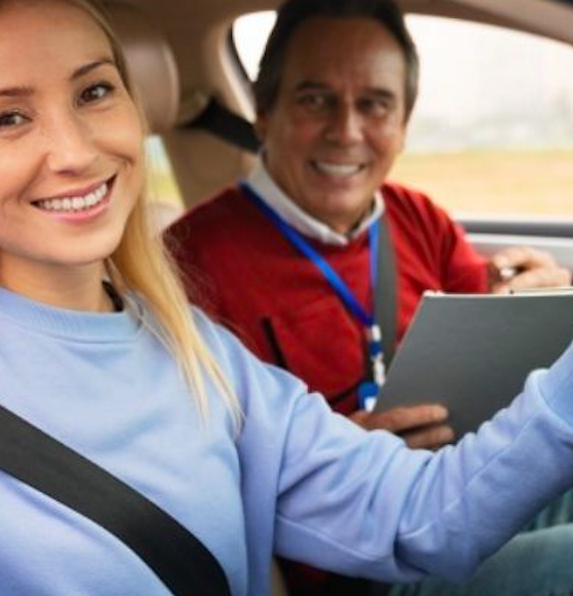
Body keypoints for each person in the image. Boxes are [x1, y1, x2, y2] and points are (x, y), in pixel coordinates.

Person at [0, 1, 573, 596]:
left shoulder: (201, 353)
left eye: (93, 92)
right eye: (7, 117)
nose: (74, 150)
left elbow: (425, 515)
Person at [165, 0, 573, 594]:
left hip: (462, 490)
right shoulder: (188, 265)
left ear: (403, 125)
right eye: (315, 99)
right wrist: (334, 463)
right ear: (264, 113)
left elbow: (493, 354)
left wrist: (532, 301)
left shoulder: (418, 218)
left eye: (375, 104)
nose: (347, 131)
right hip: (348, 560)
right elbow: (196, 479)